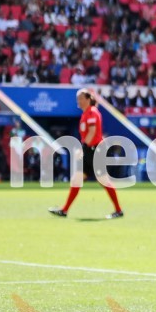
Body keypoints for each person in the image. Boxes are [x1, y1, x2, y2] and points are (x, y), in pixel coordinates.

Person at [49, 88, 123, 219]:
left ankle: (118, 210)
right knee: (77, 179)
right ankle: (64, 210)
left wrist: (82, 147)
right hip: (90, 149)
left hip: (95, 150)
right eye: (78, 98)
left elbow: (92, 131)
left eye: (81, 98)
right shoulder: (86, 114)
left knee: (103, 181)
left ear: (89, 99)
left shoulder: (92, 113)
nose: (79, 101)